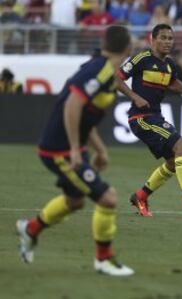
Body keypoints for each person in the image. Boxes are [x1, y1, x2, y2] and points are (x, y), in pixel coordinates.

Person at [16, 25, 134, 276]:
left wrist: (100, 150)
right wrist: (74, 150)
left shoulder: (105, 72)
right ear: (128, 48)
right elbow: (72, 105)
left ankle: (30, 230)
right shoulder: (99, 71)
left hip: (67, 147)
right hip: (59, 150)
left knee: (75, 201)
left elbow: (83, 117)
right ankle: (104, 260)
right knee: (108, 198)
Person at [117, 23, 182, 217]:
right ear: (152, 40)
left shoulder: (169, 65)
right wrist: (135, 97)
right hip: (141, 118)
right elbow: (115, 78)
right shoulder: (141, 58)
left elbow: (173, 83)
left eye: (170, 38)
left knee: (173, 162)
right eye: (163, 38)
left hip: (154, 116)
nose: (167, 42)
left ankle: (140, 196)